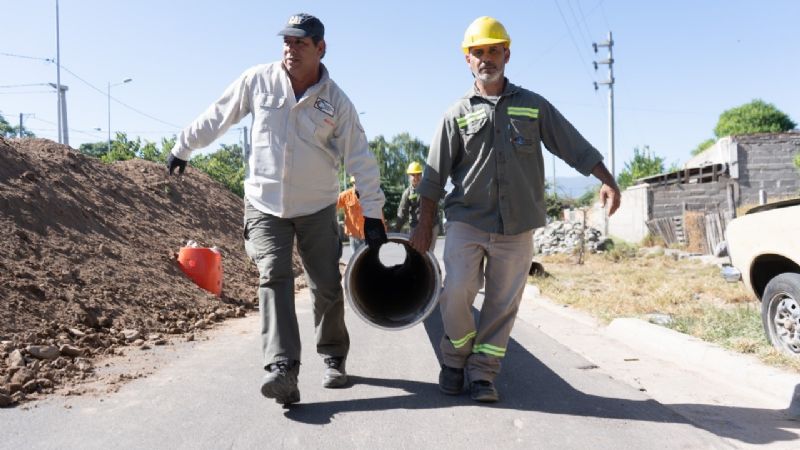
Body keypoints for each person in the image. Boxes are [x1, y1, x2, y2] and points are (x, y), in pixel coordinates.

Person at [166, 13, 388, 406]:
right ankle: (282, 368)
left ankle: (333, 354)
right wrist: (183, 147)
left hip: (317, 206)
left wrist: (372, 213)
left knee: (325, 285)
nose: (291, 48)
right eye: (287, 41)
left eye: (301, 42)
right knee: (274, 276)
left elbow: (360, 158)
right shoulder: (258, 80)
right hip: (264, 204)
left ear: (320, 48)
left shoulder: (336, 101)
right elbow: (220, 114)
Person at [410, 16, 620, 403]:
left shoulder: (532, 106)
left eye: (493, 50)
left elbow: (571, 145)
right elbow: (434, 176)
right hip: (466, 221)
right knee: (456, 292)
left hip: (517, 227)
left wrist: (606, 178)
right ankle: (455, 359)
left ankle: (483, 373)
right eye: (479, 52)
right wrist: (424, 225)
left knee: (502, 304)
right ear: (467, 60)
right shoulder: (455, 114)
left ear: (507, 53)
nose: (486, 58)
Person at [394, 161, 441, 251]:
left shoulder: (428, 189)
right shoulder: (407, 193)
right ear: (409, 177)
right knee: (415, 251)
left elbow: (435, 207)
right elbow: (402, 213)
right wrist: (396, 231)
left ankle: (429, 264)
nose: (416, 178)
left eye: (418, 174)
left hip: (431, 226)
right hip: (415, 227)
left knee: (428, 253)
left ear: (422, 175)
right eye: (413, 175)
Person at [336, 176, 367, 252]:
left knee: (368, 257)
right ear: (353, 183)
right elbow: (333, 206)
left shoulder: (369, 195)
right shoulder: (345, 195)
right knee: (356, 257)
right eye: (355, 182)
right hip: (354, 233)